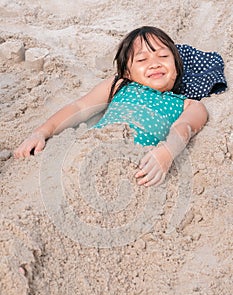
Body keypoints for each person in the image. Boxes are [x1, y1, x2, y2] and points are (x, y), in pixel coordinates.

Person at [14, 26, 208, 187]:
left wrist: (166, 153)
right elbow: (80, 108)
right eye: (142, 59)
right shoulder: (119, 85)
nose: (155, 64)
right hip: (85, 155)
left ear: (177, 65)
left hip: (136, 170)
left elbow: (185, 128)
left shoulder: (189, 104)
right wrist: (41, 132)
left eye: (164, 57)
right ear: (127, 72)